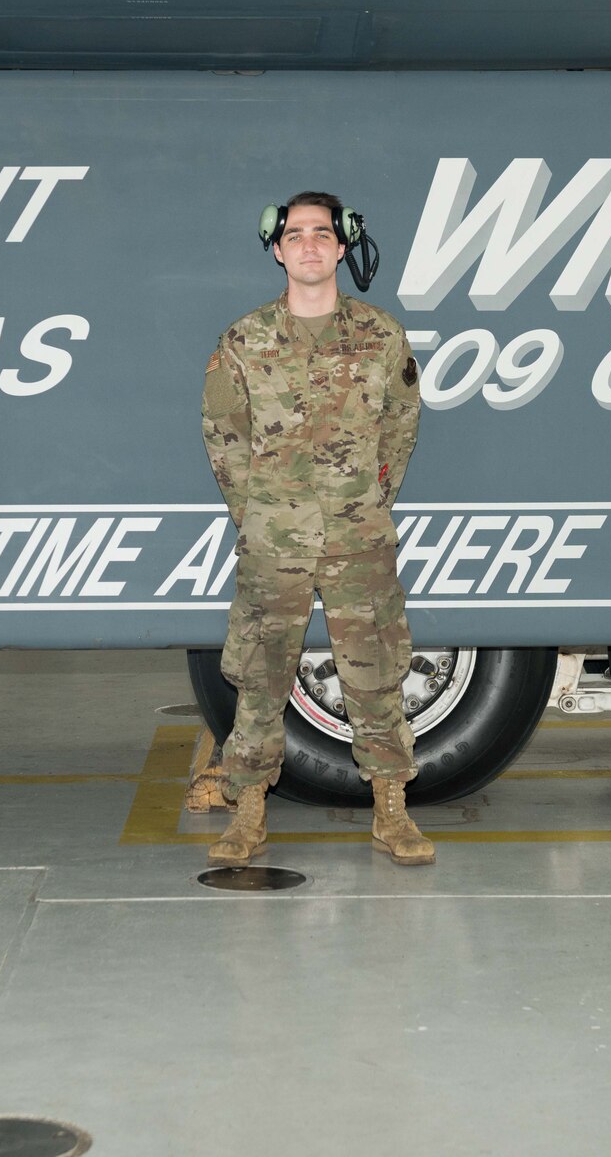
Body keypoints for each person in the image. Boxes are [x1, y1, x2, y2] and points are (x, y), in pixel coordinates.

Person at [200, 191, 429, 866]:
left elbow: (401, 427)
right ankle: (247, 814)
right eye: (295, 234)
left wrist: (366, 499)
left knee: (375, 677)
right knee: (260, 679)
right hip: (275, 543)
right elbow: (224, 438)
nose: (308, 244)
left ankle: (392, 812)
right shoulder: (243, 341)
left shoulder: (382, 337)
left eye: (321, 233)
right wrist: (263, 510)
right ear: (277, 248)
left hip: (359, 540)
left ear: (341, 245)